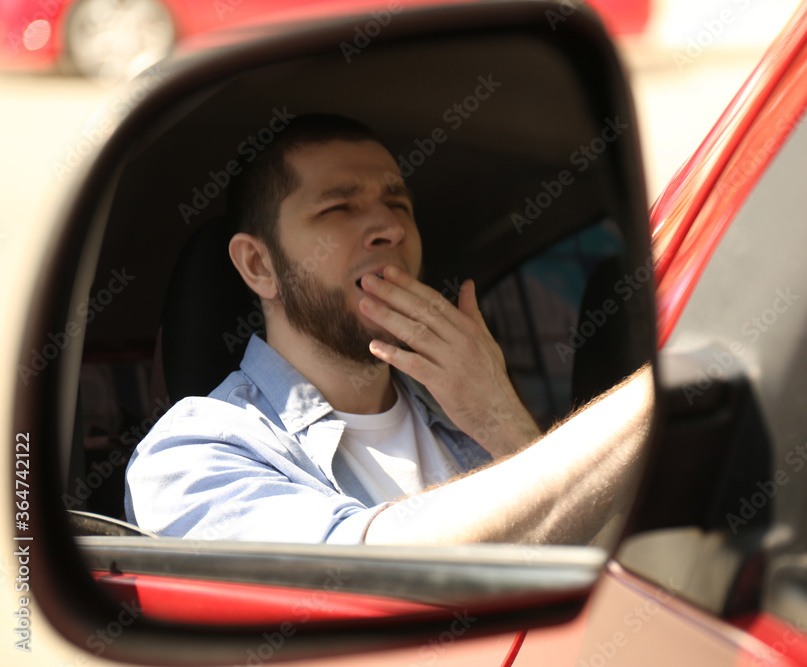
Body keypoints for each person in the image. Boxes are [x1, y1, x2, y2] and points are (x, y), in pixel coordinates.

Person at [124, 114, 652, 546]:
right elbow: (369, 577)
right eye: (339, 207)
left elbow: (590, 568)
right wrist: (655, 397)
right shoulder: (193, 454)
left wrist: (502, 419)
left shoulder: (465, 411)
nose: (391, 228)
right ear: (260, 266)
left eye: (398, 204)